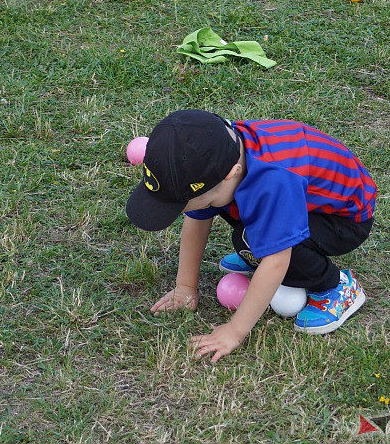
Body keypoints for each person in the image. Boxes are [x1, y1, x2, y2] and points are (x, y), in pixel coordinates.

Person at [126, 110, 376, 361]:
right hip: (298, 199)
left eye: (185, 204)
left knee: (254, 243)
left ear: (231, 173)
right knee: (225, 214)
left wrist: (234, 332)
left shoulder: (273, 179)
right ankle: (256, 247)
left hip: (342, 219)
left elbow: (277, 261)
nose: (185, 211)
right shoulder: (220, 152)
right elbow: (198, 219)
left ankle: (337, 286)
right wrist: (185, 288)